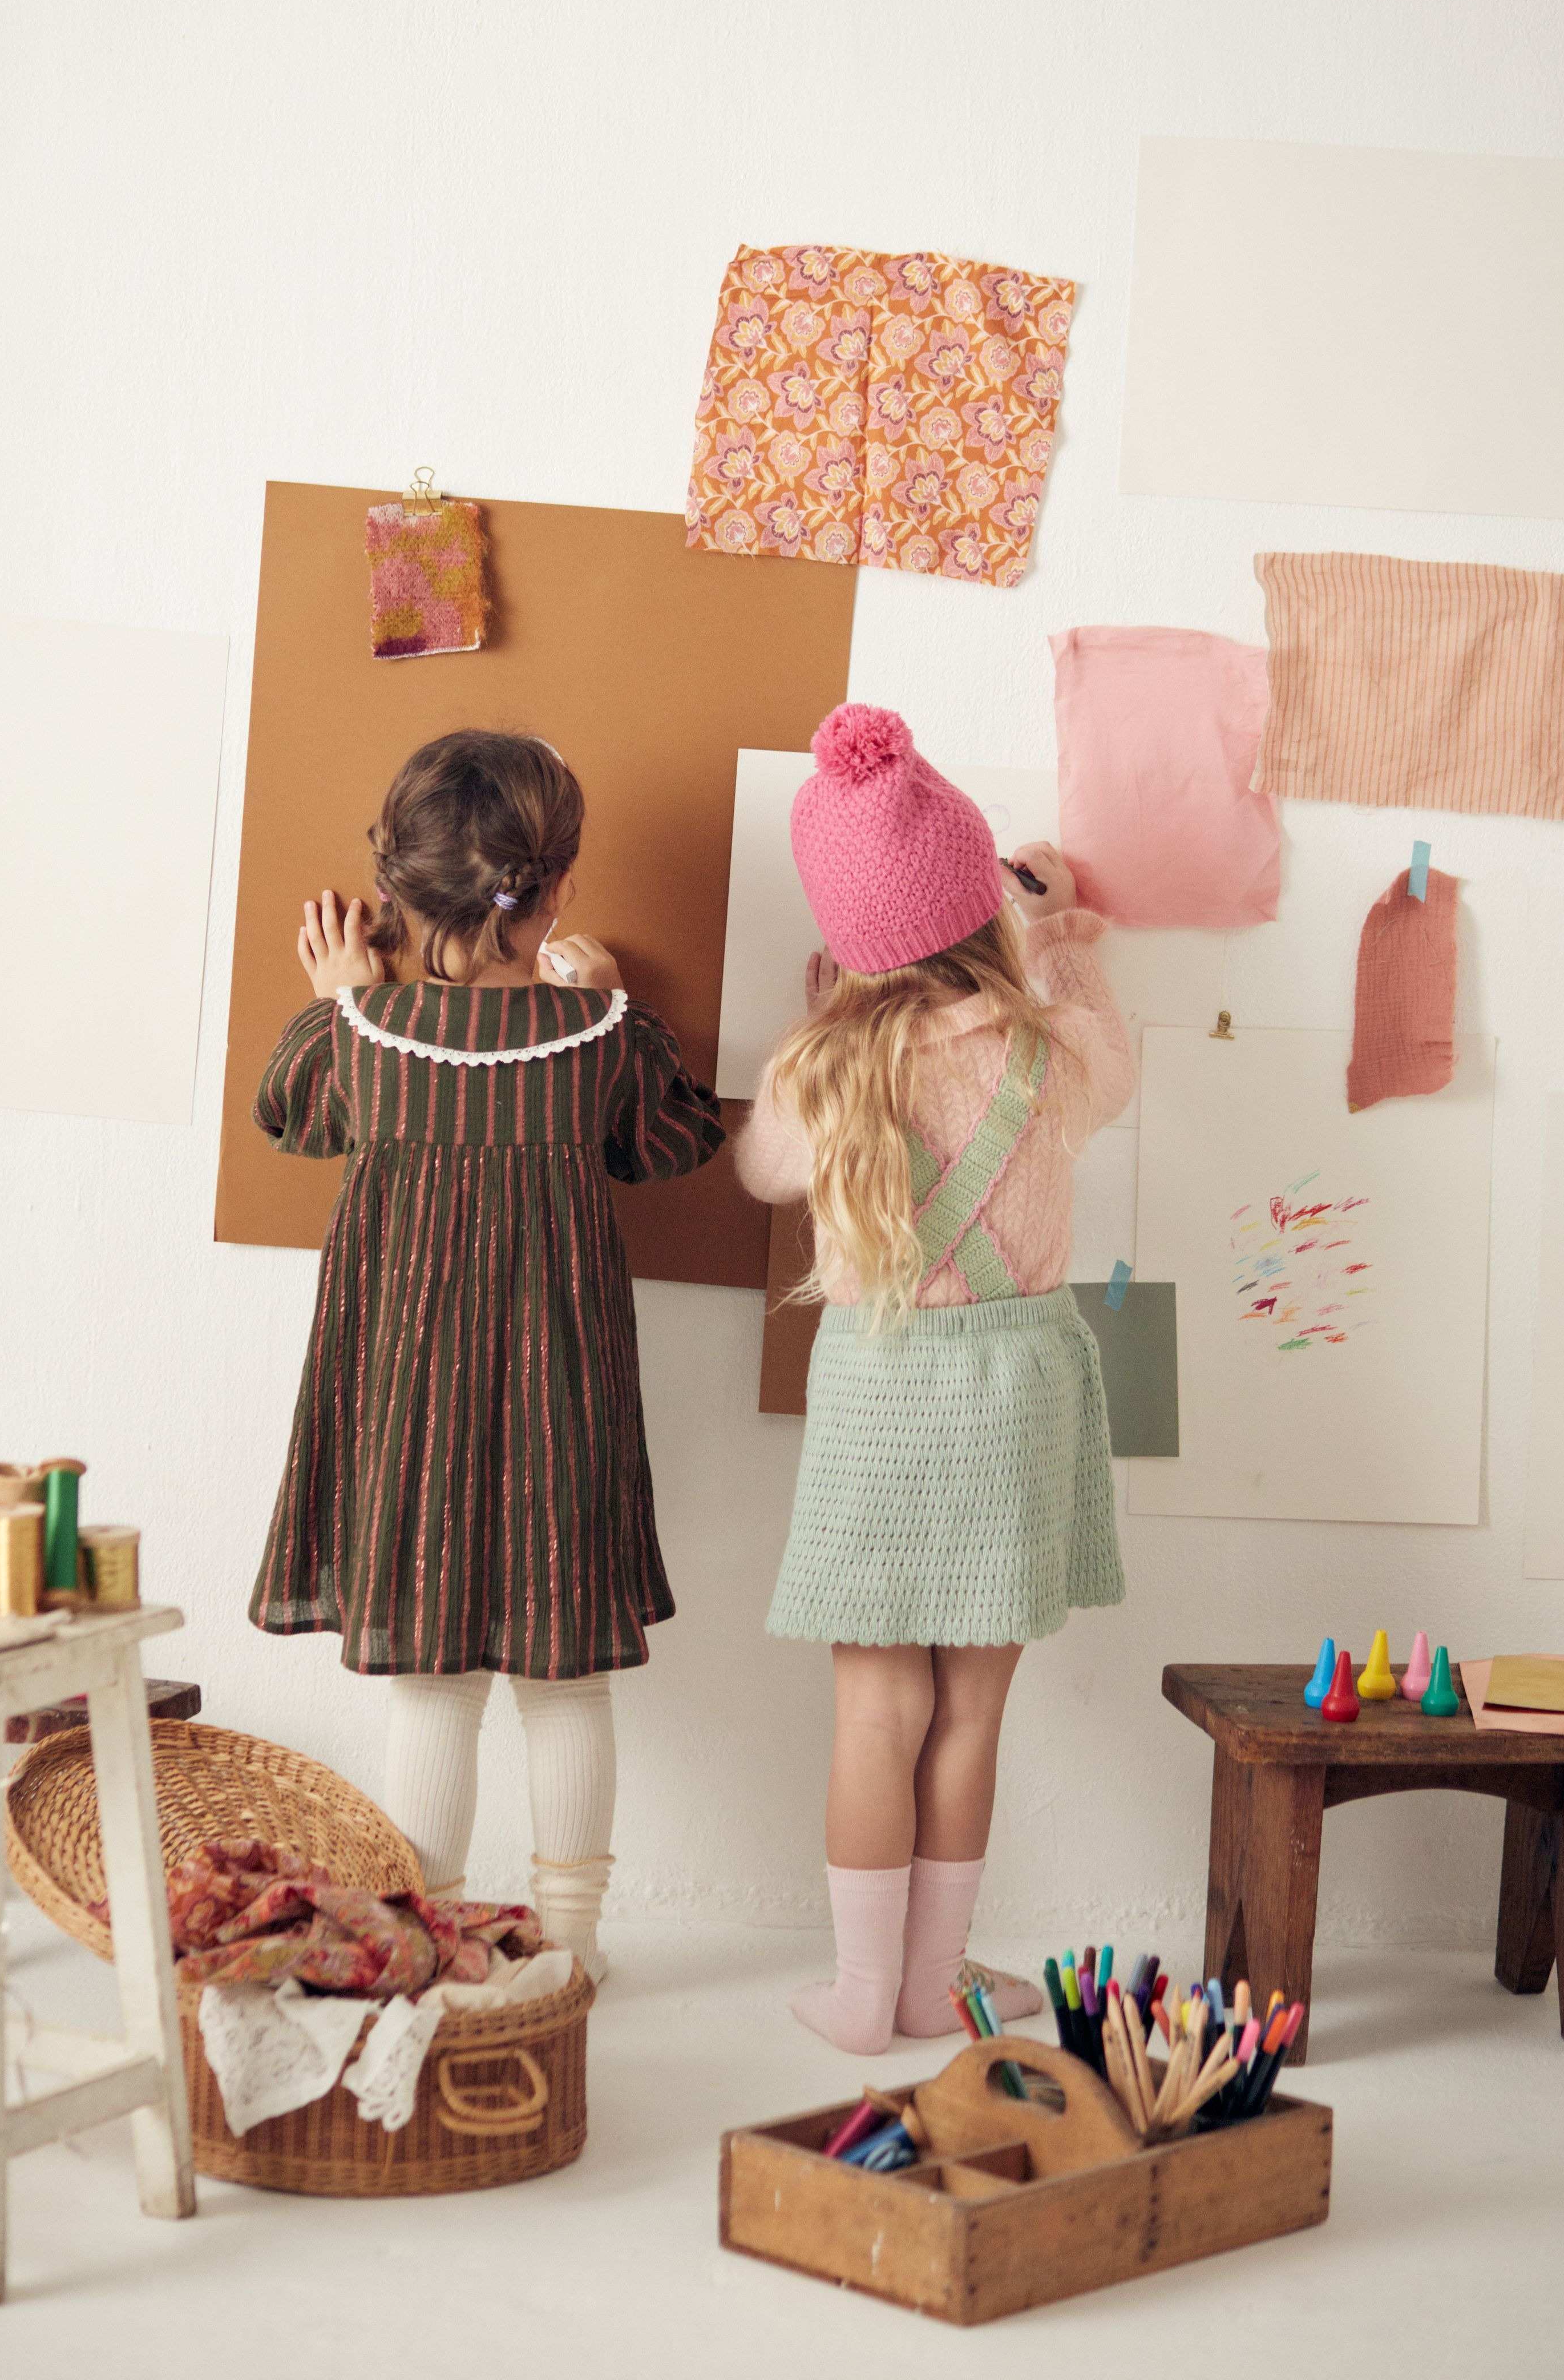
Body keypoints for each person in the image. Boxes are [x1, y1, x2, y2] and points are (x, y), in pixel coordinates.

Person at [248, 728, 724, 1977]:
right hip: (563, 1408)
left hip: (408, 1413)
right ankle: (572, 1953)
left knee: (432, 1690)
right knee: (568, 1690)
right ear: (554, 887)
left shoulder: (360, 1032)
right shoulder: (602, 1033)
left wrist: (342, 994)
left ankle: (430, 1944)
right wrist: (611, 989)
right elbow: (673, 1143)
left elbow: (289, 1114)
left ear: (395, 890)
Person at [738, 704, 1133, 2052]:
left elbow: (762, 1173)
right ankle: (933, 1978)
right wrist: (1060, 938)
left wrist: (818, 1024)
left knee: (875, 1705)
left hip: (878, 1402)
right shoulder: (1055, 1051)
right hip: (1014, 1397)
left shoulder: (820, 1070)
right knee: (969, 1706)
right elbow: (1115, 1066)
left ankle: (861, 1991)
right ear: (976, 898)